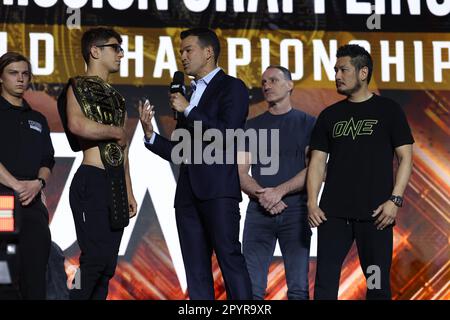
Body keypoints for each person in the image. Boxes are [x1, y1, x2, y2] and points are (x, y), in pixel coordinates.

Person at [139, 28, 252, 300]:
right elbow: (183, 151)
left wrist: (189, 109)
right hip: (187, 194)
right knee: (196, 269)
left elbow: (226, 134)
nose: (183, 57)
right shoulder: (189, 94)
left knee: (229, 260)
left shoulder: (232, 87)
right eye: (181, 52)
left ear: (208, 52)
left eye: (188, 50)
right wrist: (150, 135)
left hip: (218, 191)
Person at [307, 44, 414, 300]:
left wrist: (395, 201)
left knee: (377, 287)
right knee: (324, 285)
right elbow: (317, 162)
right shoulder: (329, 115)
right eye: (336, 70)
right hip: (332, 216)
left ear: (363, 72)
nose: (337, 76)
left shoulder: (389, 111)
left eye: (343, 70)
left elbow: (406, 158)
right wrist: (312, 203)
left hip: (376, 215)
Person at [57, 27, 137, 300]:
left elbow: (122, 150)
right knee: (93, 260)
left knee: (107, 267)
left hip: (114, 184)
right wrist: (114, 131)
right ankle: (73, 296)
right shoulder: (76, 86)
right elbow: (77, 124)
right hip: (90, 180)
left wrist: (128, 189)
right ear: (95, 51)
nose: (121, 54)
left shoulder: (118, 98)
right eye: (115, 47)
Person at [238, 66, 315, 300]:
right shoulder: (250, 126)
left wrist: (278, 192)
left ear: (290, 85)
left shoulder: (309, 123)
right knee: (252, 291)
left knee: (299, 289)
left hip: (296, 212)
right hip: (258, 212)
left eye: (273, 80)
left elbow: (315, 170)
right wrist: (265, 197)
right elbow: (240, 172)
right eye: (263, 82)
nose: (267, 86)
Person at [0, 52, 55, 299]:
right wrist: (15, 185)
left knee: (35, 277)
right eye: (13, 73)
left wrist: (38, 183)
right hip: (3, 201)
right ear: (1, 78)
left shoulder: (38, 119)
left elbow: (47, 160)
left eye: (25, 74)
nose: (20, 79)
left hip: (32, 203)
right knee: (4, 273)